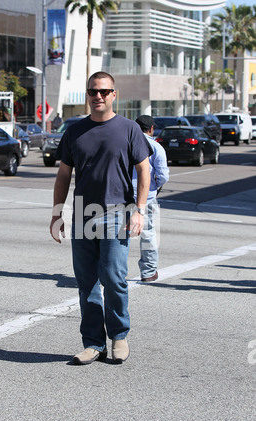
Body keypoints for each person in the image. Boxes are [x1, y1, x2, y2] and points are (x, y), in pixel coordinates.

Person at [50, 71, 151, 365]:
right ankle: (94, 343)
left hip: (117, 213)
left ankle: (119, 336)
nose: (99, 96)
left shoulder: (129, 129)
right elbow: (63, 175)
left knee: (114, 277)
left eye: (104, 91)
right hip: (82, 213)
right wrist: (57, 214)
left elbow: (144, 171)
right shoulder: (74, 131)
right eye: (93, 91)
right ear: (88, 94)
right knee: (87, 283)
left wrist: (140, 210)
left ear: (114, 95)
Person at [132, 115, 169, 282]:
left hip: (122, 195)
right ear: (151, 129)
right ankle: (148, 272)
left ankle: (112, 272)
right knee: (147, 234)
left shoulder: (125, 145)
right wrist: (153, 186)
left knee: (116, 234)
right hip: (146, 196)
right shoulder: (156, 147)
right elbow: (163, 176)